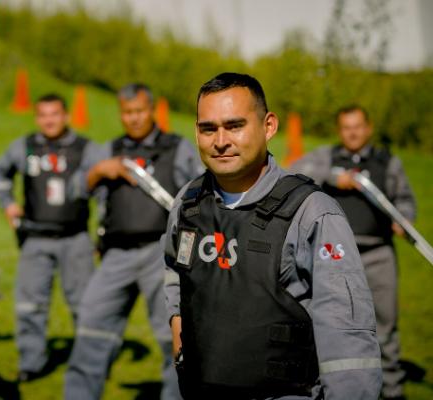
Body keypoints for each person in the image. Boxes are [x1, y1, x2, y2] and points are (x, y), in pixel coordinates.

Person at [164, 73, 383, 399]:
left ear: (268, 126)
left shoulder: (313, 212)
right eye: (208, 128)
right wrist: (178, 322)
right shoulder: (188, 201)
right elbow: (175, 270)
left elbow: (347, 337)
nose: (220, 141)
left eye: (235, 125)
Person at [64, 83, 204, 400]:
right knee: (91, 326)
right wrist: (99, 171)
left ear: (151, 109)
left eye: (140, 111)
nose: (134, 118)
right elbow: (75, 190)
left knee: (173, 336)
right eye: (127, 113)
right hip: (116, 256)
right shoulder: (106, 150)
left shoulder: (177, 148)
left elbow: (199, 195)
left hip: (162, 256)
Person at [290, 105, 416, 400]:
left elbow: (406, 200)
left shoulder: (388, 162)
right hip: (333, 259)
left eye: (358, 126)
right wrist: (334, 178)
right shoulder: (327, 157)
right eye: (346, 127)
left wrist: (404, 219)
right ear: (339, 130)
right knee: (332, 327)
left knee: (385, 328)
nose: (353, 132)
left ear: (368, 127)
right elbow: (294, 171)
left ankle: (392, 391)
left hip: (379, 254)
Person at [0, 93, 97, 382]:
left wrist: (102, 230)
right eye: (43, 115)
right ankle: (32, 363)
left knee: (85, 305)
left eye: (54, 114)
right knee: (29, 305)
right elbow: (0, 173)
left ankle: (89, 362)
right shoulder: (24, 147)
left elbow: (104, 187)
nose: (49, 120)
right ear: (37, 117)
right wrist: (7, 204)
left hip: (75, 239)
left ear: (66, 115)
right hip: (35, 238)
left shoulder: (86, 149)